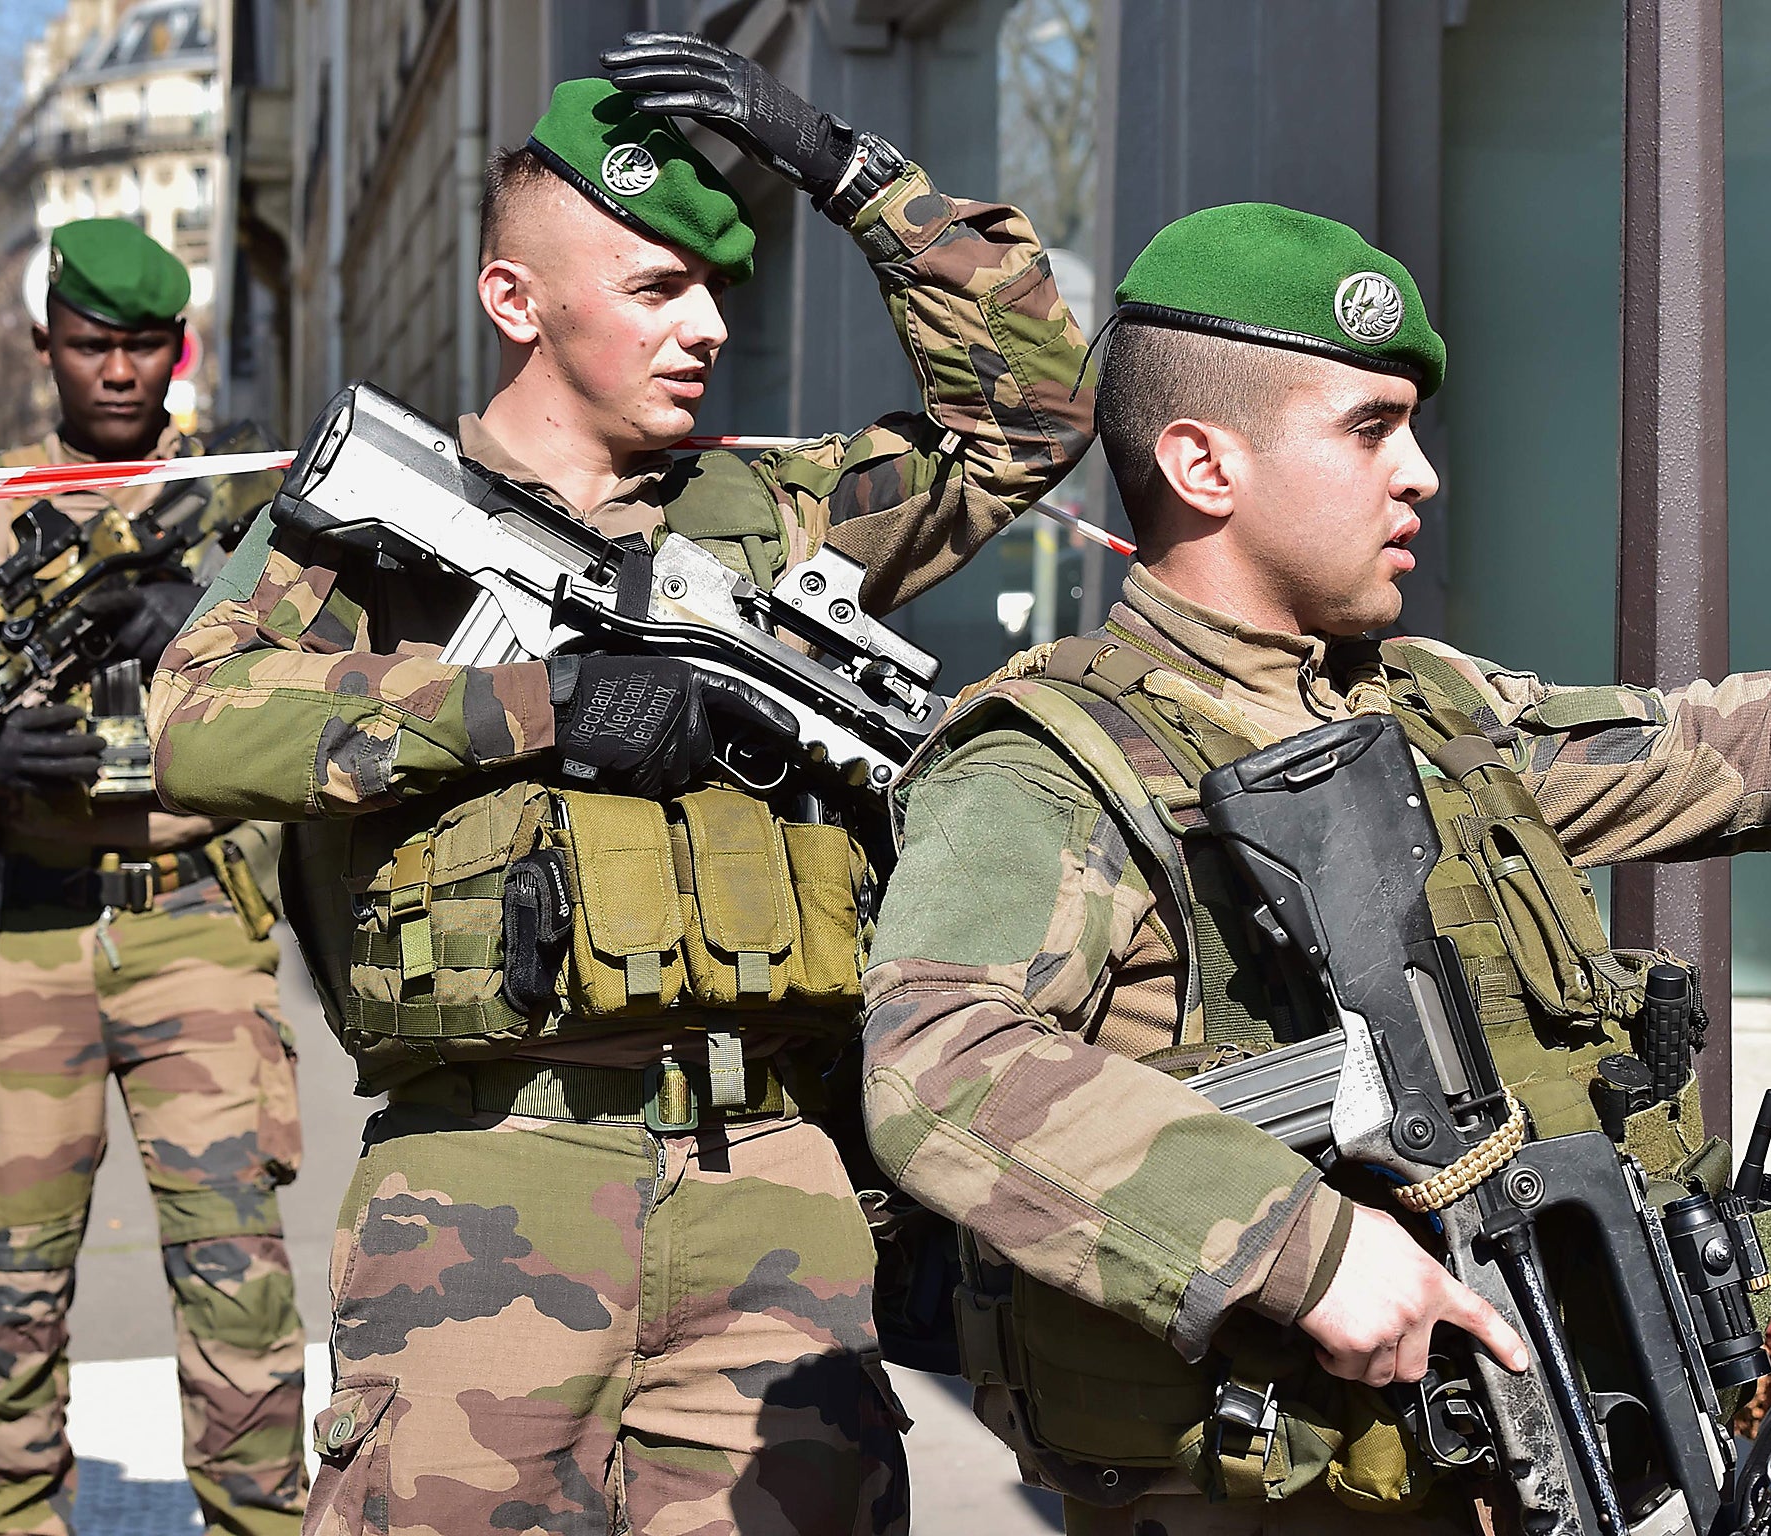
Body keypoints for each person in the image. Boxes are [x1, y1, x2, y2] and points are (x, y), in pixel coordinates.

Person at [149, 35, 1091, 1536]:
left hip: (776, 1181)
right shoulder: (373, 534)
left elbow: (1034, 410)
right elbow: (194, 723)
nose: (708, 325)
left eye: (718, 286)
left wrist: (848, 173)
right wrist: (541, 702)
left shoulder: (776, 523)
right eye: (657, 288)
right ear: (513, 300)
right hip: (482, 1193)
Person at [861, 202, 1771, 1535]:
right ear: (1206, 463)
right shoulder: (1055, 756)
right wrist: (1297, 1245)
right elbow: (936, 1056)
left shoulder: (1431, 710)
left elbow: (1717, 745)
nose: (1422, 472)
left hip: (1527, 1466)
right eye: (1370, 429)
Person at [0, 219, 306, 1536]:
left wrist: (200, 617)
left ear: (180, 348)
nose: (118, 372)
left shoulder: (247, 490)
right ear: (44, 342)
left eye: (144, 346)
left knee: (240, 1291)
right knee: (6, 1301)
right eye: (93, 343)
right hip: (17, 927)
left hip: (197, 919)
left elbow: (354, 633)